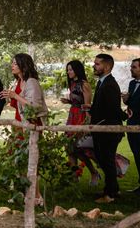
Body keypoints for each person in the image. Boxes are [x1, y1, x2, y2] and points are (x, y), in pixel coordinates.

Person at [0, 53, 48, 204]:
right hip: (19, 124)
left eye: (15, 63)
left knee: (31, 160)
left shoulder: (32, 82)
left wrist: (16, 96)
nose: (12, 66)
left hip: (31, 124)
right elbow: (18, 103)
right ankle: (24, 193)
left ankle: (37, 196)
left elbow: (35, 106)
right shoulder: (19, 82)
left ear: (23, 65)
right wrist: (10, 97)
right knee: (18, 159)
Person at [87, 54, 124, 203]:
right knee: (103, 159)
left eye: (97, 64)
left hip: (108, 130)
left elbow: (113, 108)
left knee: (107, 160)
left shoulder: (110, 84)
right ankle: (112, 189)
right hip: (100, 128)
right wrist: (91, 108)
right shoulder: (102, 82)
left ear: (107, 66)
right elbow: (103, 105)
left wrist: (125, 116)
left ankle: (110, 195)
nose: (94, 66)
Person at [59, 60, 99, 186]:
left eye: (70, 69)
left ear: (77, 70)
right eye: (68, 69)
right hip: (72, 115)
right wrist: (69, 101)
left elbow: (87, 106)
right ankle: (74, 176)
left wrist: (86, 124)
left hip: (81, 117)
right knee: (69, 147)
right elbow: (77, 101)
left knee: (79, 149)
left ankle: (94, 172)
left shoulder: (84, 84)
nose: (68, 72)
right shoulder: (72, 83)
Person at [122, 58, 140, 194]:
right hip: (131, 123)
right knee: (136, 153)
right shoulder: (132, 83)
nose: (131, 69)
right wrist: (126, 100)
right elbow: (131, 104)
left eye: (134, 67)